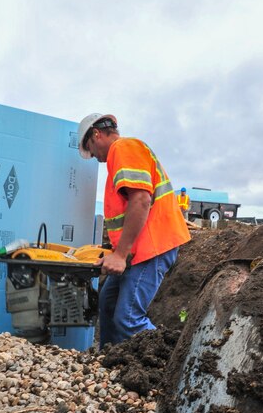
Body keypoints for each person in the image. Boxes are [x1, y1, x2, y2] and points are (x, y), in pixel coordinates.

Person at [78, 113, 191, 348]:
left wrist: (120, 255)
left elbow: (141, 200)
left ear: (96, 135)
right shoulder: (120, 158)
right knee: (108, 302)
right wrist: (116, 250)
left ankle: (177, 362)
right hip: (139, 248)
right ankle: (111, 360)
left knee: (129, 318)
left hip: (153, 246)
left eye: (90, 148)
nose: (94, 157)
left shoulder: (124, 148)